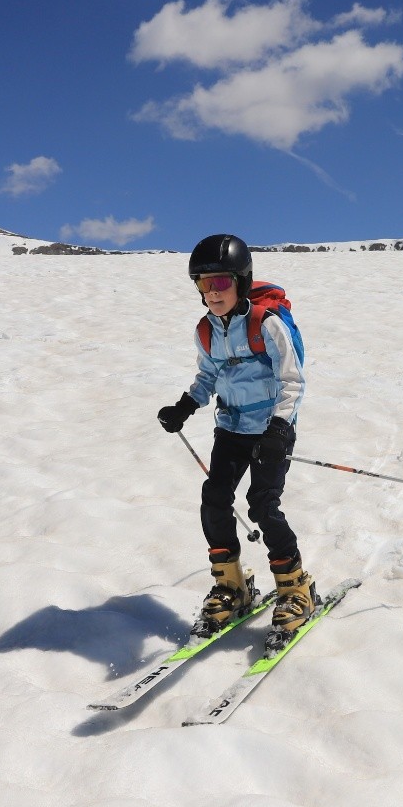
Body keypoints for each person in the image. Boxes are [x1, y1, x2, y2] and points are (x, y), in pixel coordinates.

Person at [156, 233, 317, 646]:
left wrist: (280, 428)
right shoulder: (206, 330)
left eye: (221, 282)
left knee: (262, 504)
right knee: (214, 500)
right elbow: (208, 376)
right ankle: (231, 586)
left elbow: (292, 380)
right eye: (203, 284)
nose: (212, 293)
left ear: (242, 281)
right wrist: (185, 404)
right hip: (229, 429)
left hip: (269, 432)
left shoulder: (267, 323)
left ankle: (295, 587)